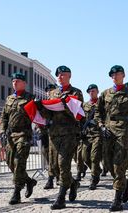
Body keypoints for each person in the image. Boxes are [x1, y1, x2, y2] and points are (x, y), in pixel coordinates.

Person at [95, 65, 128, 211]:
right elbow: (98, 112)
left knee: (119, 164)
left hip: (122, 133)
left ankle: (117, 200)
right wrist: (101, 126)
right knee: (108, 163)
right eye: (112, 74)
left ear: (123, 75)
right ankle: (126, 183)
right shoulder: (105, 93)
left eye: (117, 74)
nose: (114, 76)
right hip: (107, 132)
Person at [36, 65, 83, 210]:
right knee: (55, 167)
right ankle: (73, 183)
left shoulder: (76, 92)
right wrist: (41, 108)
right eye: (58, 75)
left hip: (69, 133)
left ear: (69, 76)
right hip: (54, 134)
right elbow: (49, 115)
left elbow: (78, 114)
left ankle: (61, 198)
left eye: (63, 74)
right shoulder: (53, 93)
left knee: (63, 164)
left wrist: (66, 103)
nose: (60, 77)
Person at [0, 72, 37, 205]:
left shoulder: (30, 97)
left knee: (19, 162)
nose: (15, 83)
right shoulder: (9, 98)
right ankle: (29, 181)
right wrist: (2, 130)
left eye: (18, 81)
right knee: (10, 163)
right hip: (11, 135)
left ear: (24, 83)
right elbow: (4, 117)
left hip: (24, 134)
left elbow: (37, 115)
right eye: (13, 81)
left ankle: (16, 193)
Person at [81, 84, 102, 190]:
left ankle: (94, 178)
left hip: (98, 134)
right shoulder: (85, 105)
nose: (91, 93)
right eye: (90, 91)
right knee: (85, 157)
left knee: (94, 157)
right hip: (87, 134)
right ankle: (97, 170)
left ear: (97, 91)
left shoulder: (101, 104)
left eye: (93, 91)